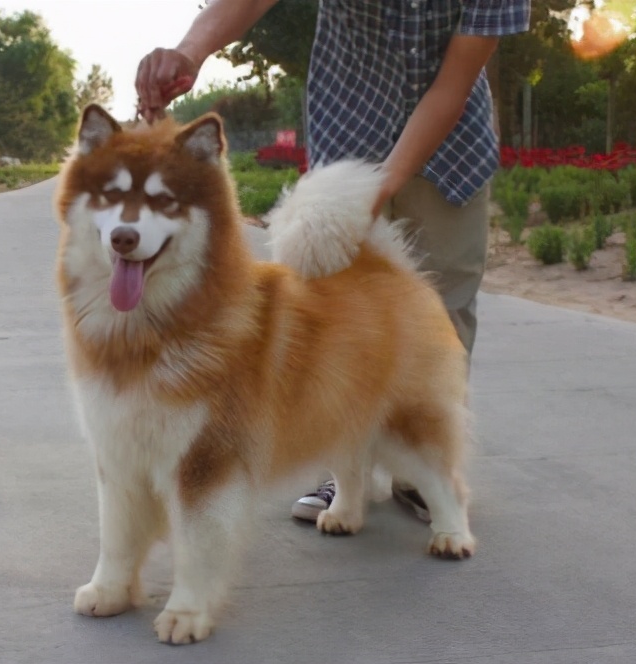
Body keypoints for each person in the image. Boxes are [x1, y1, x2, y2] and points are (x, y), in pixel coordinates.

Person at [135, 0, 530, 523]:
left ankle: (424, 464)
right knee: (332, 313)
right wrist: (190, 51)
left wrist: (383, 185)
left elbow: (451, 86)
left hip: (450, 143)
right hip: (348, 124)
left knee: (443, 307)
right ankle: (343, 468)